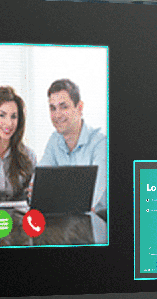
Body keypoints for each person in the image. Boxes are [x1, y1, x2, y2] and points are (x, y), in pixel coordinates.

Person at [38, 78, 108, 215]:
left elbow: (90, 200)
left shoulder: (100, 143)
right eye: (53, 108)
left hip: (99, 223)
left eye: (64, 107)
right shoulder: (54, 140)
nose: (57, 115)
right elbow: (40, 186)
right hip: (66, 222)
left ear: (79, 107)